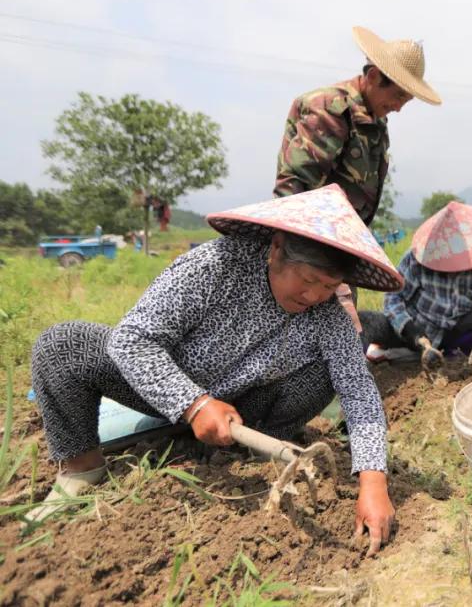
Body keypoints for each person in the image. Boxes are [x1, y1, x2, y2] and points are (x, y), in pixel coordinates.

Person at [27, 185, 404, 555]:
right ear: (276, 250)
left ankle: (246, 447)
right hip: (165, 385)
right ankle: (81, 468)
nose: (314, 296)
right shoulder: (214, 266)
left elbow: (358, 391)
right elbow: (133, 339)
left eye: (329, 286)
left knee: (329, 370)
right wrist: (192, 403)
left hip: (244, 410)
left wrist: (373, 480)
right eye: (307, 280)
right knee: (62, 347)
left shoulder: (327, 313)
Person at [274, 26, 442, 329]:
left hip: (341, 248)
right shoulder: (329, 109)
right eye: (398, 95)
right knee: (308, 331)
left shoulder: (375, 122)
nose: (399, 107)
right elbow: (296, 196)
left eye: (407, 100)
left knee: (342, 336)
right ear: (375, 76)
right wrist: (324, 276)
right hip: (306, 251)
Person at [360, 202, 472, 371]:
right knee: (366, 320)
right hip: (409, 333)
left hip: (449, 335)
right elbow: (393, 299)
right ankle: (394, 355)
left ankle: (445, 354)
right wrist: (415, 335)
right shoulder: (417, 259)